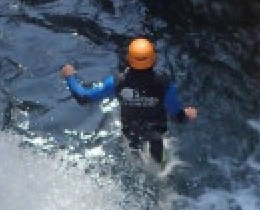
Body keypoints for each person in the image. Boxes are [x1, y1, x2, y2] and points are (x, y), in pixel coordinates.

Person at [61, 38, 198, 164]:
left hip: (131, 130)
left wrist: (70, 77)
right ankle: (160, 172)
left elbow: (83, 97)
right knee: (157, 149)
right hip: (155, 130)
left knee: (134, 152)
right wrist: (186, 114)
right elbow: (177, 117)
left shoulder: (116, 82)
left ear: (128, 59)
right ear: (154, 60)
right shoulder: (165, 85)